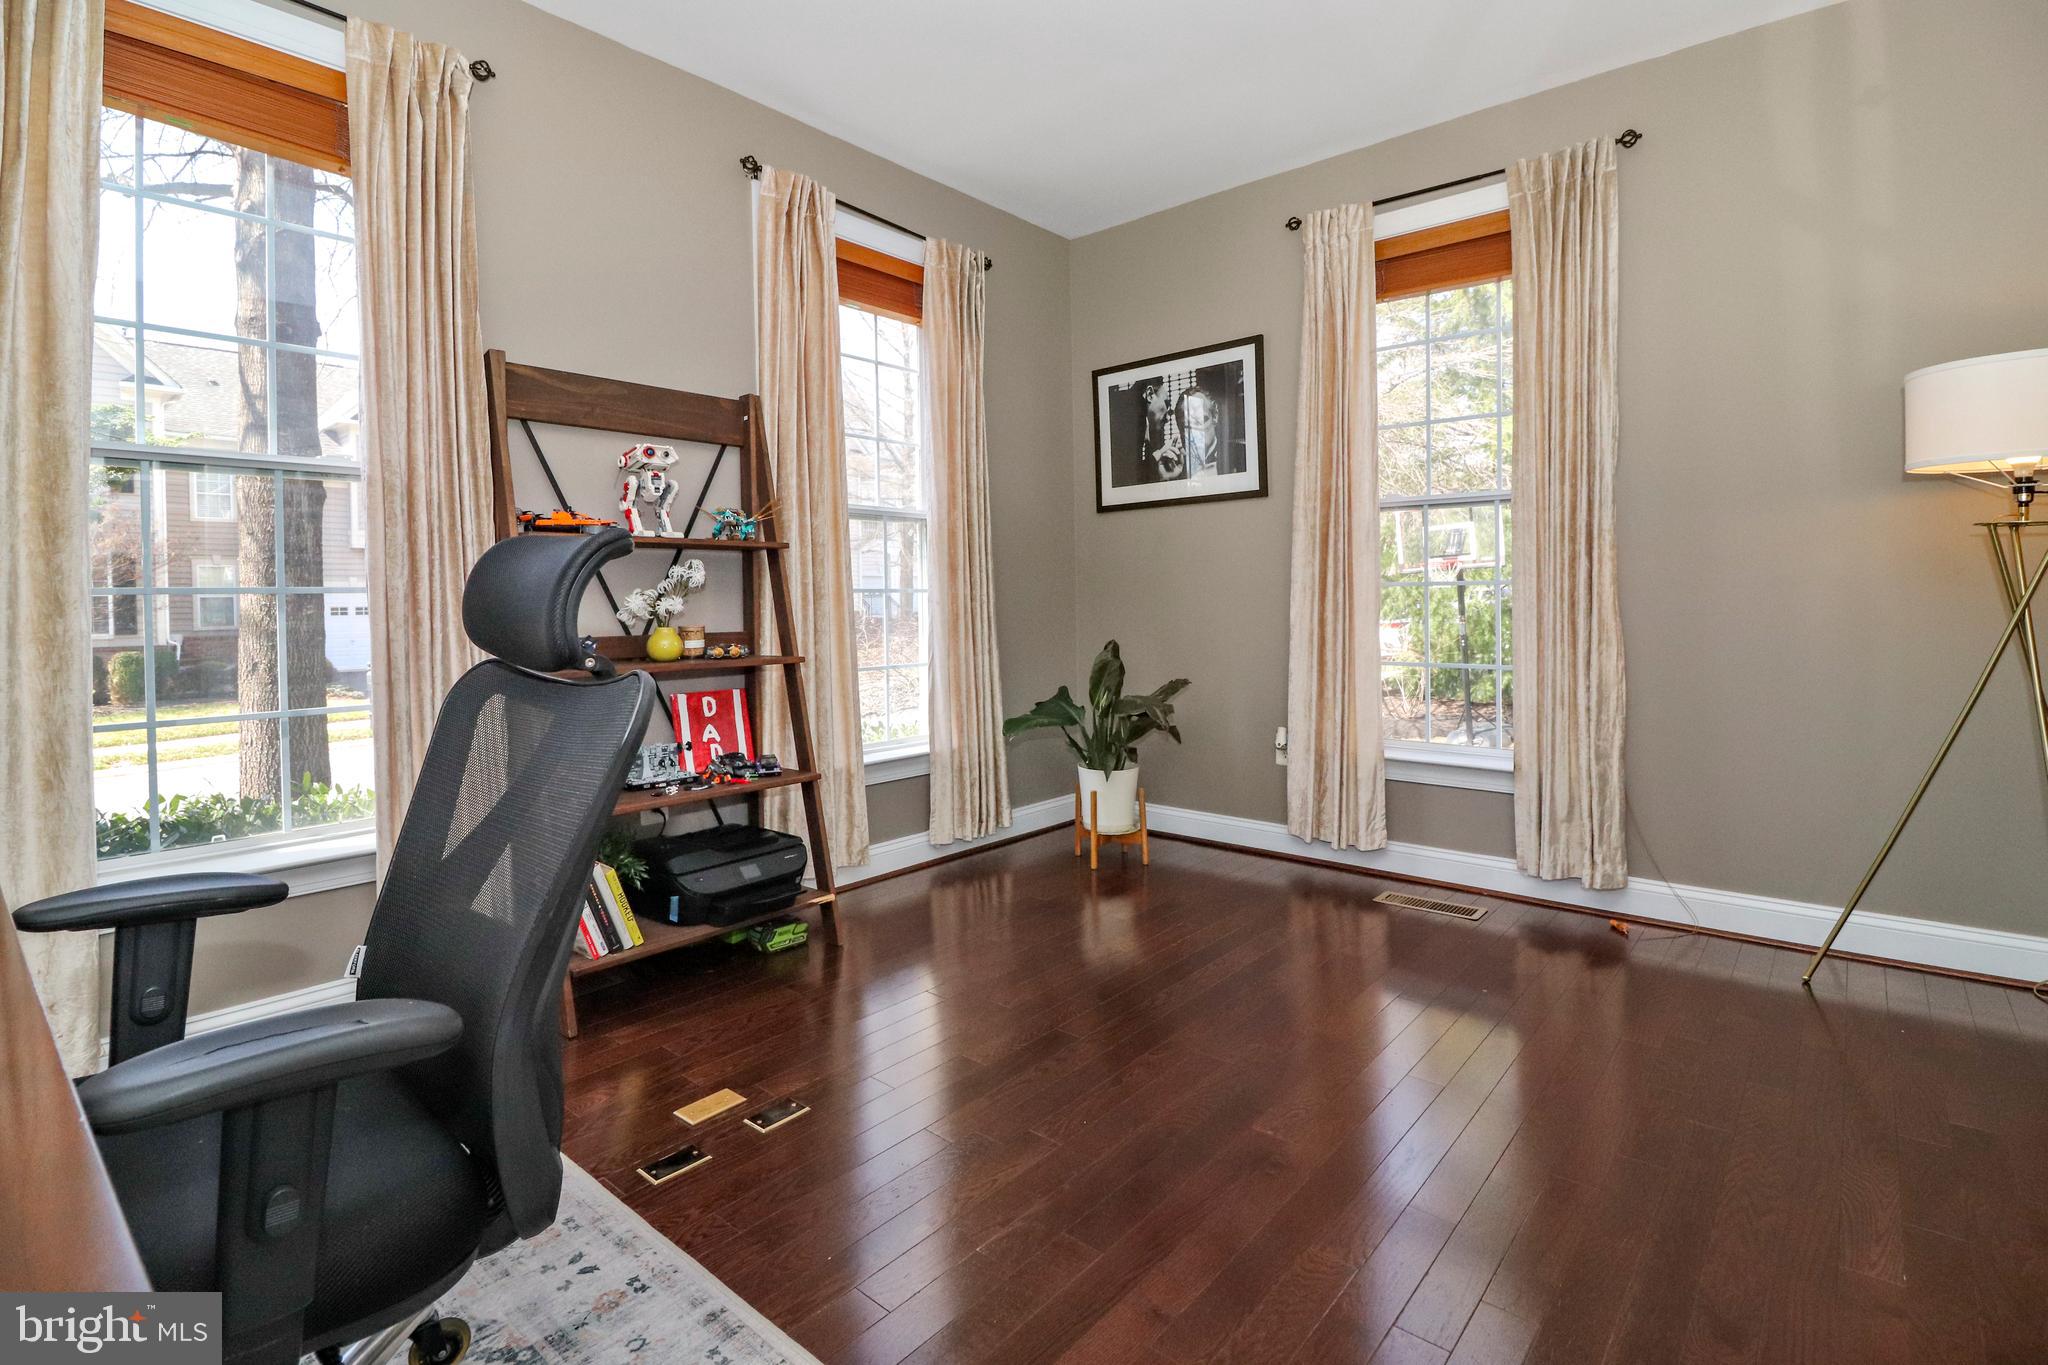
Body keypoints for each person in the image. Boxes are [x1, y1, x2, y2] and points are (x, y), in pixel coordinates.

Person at [1135, 379, 1184, 482]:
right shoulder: (1124, 421)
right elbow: (1127, 473)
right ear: (1150, 394)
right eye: (1166, 403)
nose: (1167, 418)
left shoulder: (1144, 426)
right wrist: (1160, 453)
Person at [1177, 373, 1221, 477]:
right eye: (1186, 426)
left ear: (1215, 417)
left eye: (1199, 421)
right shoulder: (1176, 468)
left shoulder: (1240, 455)